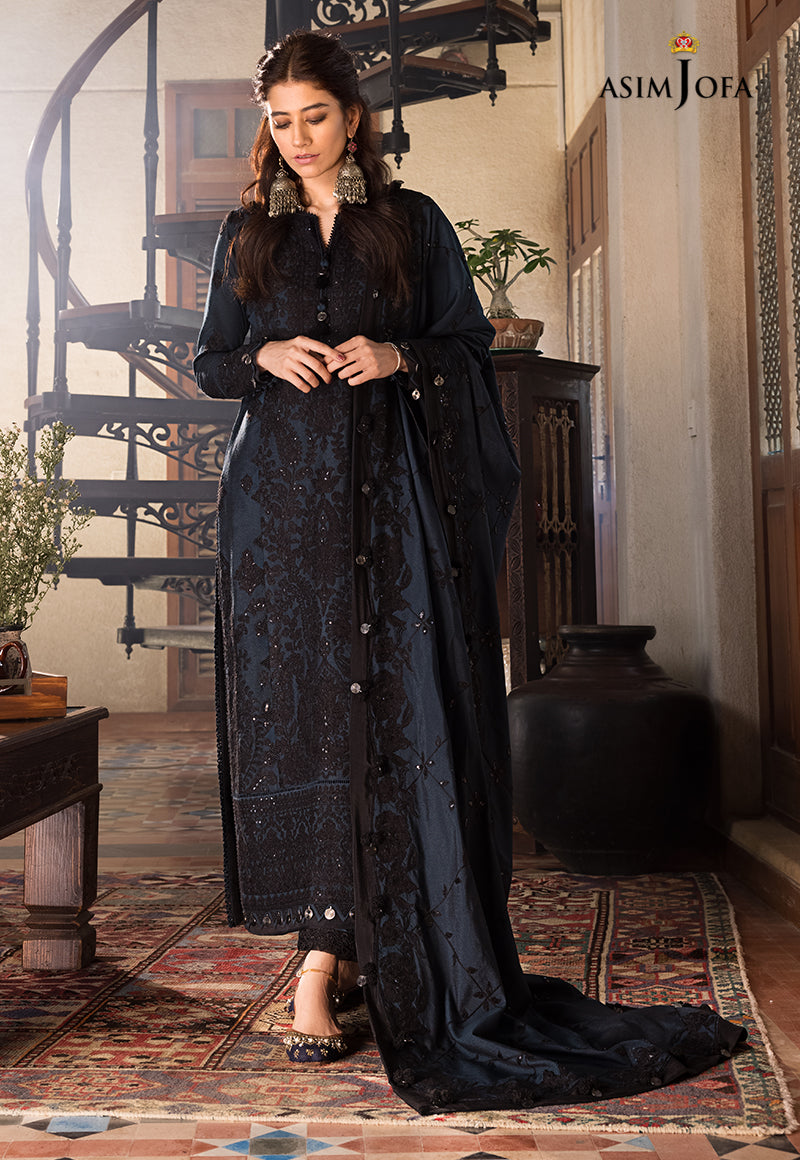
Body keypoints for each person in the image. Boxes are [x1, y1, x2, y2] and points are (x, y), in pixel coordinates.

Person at [194, 29, 745, 1114]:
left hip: (394, 512)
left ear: (353, 117)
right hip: (282, 521)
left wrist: (397, 354)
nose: (298, 137)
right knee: (312, 722)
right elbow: (211, 360)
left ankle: (359, 959)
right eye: (281, 121)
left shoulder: (412, 225)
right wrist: (260, 354)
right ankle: (320, 963)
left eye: (316, 115)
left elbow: (465, 347)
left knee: (402, 716)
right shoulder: (244, 233)